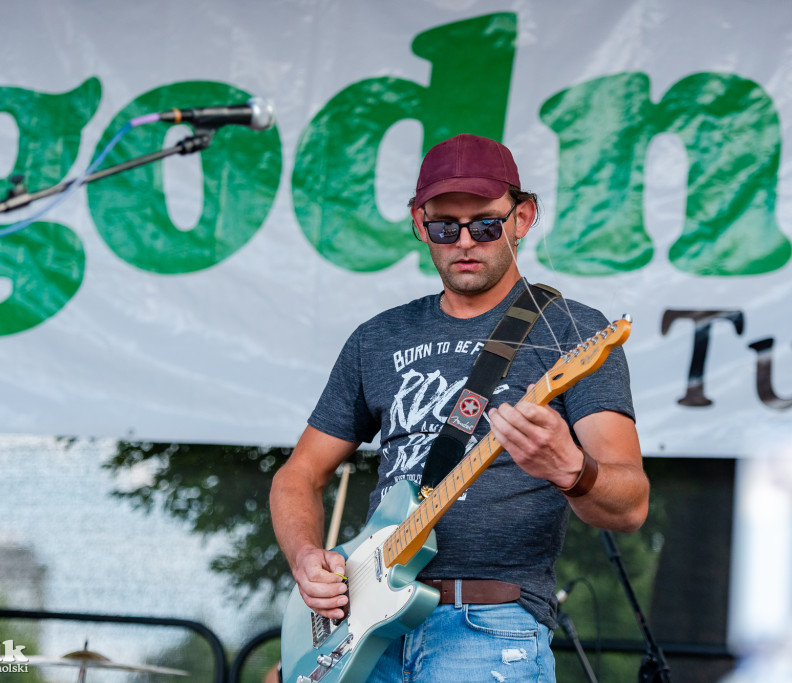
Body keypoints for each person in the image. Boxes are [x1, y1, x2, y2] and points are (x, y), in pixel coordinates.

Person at [270, 133, 649, 682]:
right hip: (364, 625)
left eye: (486, 225)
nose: (465, 242)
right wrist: (307, 557)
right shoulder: (377, 339)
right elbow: (296, 476)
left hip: (487, 625)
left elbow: (631, 504)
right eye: (446, 227)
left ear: (524, 217)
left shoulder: (575, 333)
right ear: (420, 224)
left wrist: (572, 470)